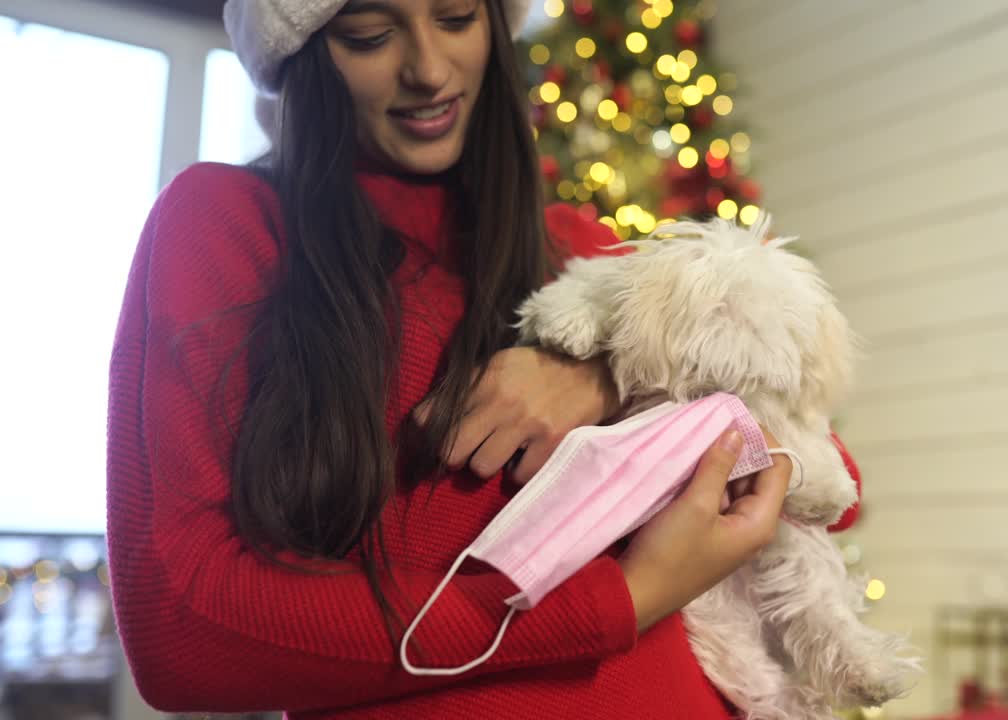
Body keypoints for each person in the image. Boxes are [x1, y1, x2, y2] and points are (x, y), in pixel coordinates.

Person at [105, 0, 860, 717]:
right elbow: (181, 629)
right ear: (300, 55)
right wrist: (620, 600)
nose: (429, 69)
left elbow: (827, 480)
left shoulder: (576, 245)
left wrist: (601, 376)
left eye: (459, 17)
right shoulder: (226, 223)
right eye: (370, 34)